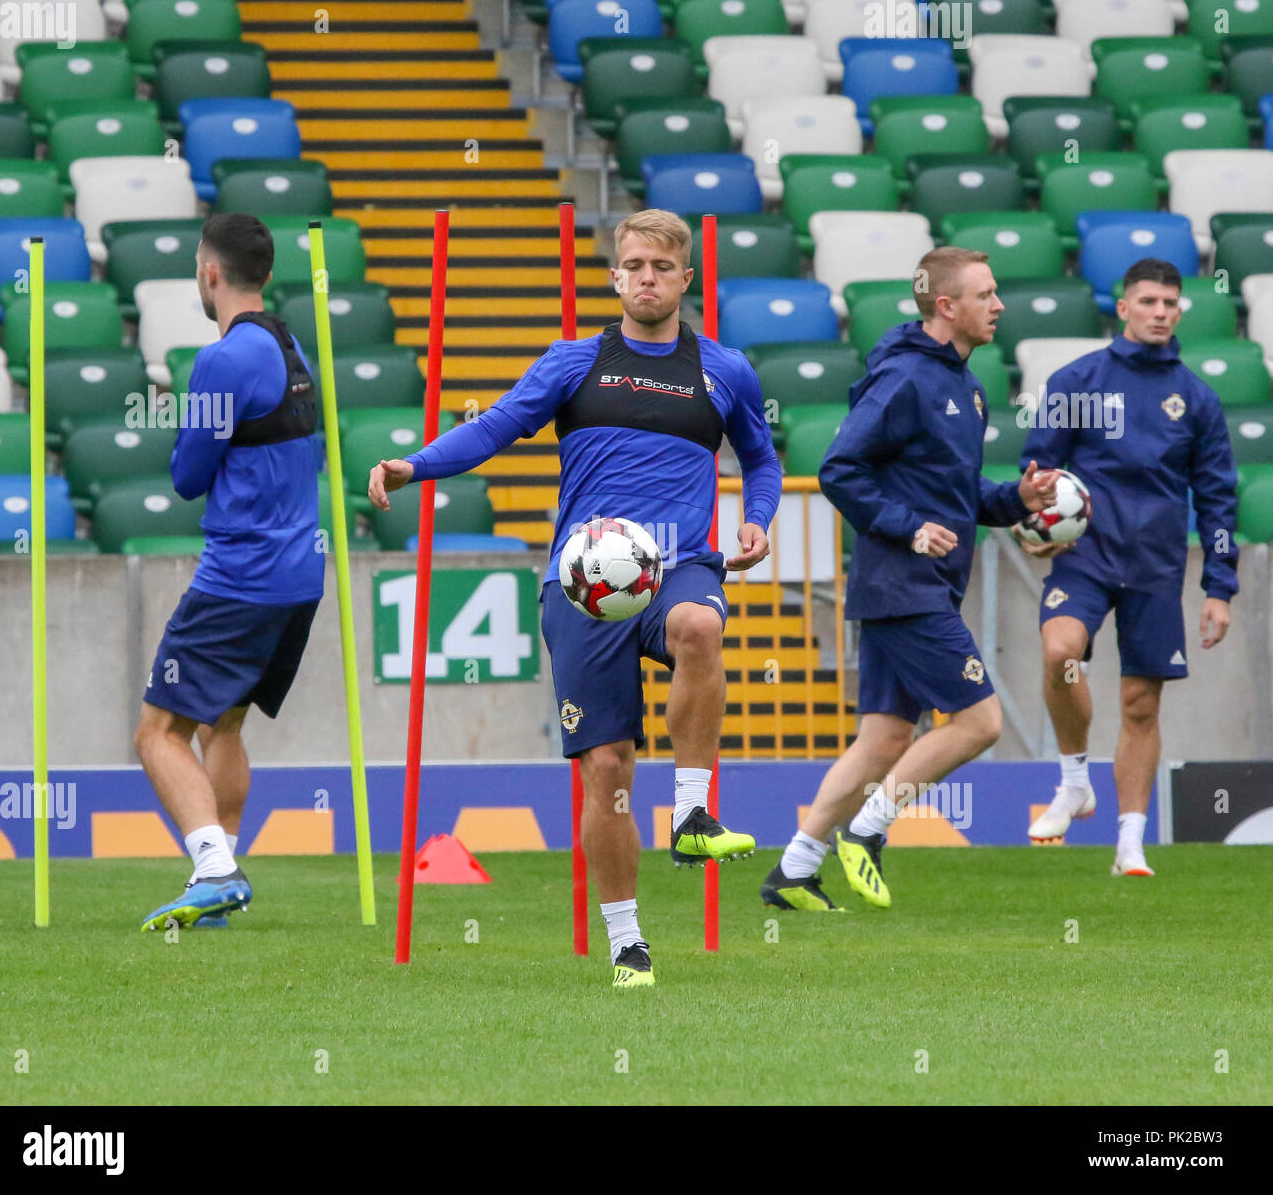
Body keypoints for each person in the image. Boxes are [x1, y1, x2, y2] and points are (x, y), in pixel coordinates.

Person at [370, 208, 781, 987]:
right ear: (616, 275)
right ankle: (628, 940)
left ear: (685, 278)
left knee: (700, 623)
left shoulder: (726, 370)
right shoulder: (571, 362)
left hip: (678, 564)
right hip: (583, 580)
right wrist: (412, 466)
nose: (648, 277)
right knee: (607, 769)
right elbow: (491, 430)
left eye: (662, 265)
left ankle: (692, 813)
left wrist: (757, 520)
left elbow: (761, 460)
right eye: (634, 264)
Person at [760, 247, 1059, 912]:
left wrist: (1020, 499)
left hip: (922, 583)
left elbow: (957, 492)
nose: (999, 304)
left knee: (885, 737)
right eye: (986, 294)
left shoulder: (970, 389)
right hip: (902, 582)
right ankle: (865, 829)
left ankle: (793, 868)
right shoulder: (902, 378)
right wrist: (907, 527)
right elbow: (840, 468)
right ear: (947, 306)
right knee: (980, 721)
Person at [135, 213, 323, 931]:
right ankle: (217, 881)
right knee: (226, 726)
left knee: (157, 732)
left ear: (209, 273)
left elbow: (187, 475)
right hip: (301, 575)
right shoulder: (291, 341)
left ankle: (215, 865)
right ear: (266, 275)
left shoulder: (222, 360)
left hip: (241, 576)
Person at [1019, 258, 1238, 875]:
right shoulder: (1076, 382)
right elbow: (1038, 475)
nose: (1161, 312)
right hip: (1085, 556)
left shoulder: (1197, 399)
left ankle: (1130, 843)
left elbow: (1219, 498)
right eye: (1148, 301)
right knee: (1060, 652)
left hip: (1155, 567)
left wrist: (1219, 587)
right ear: (1122, 308)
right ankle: (1073, 780)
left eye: (1171, 303)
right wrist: (1035, 527)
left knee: (1141, 705)